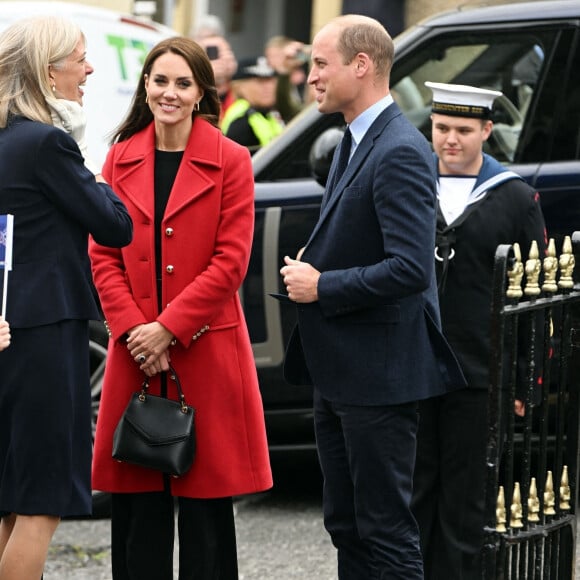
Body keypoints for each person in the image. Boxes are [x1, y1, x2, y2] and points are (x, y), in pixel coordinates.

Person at [279, 15, 465, 579]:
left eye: (319, 64)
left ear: (362, 65)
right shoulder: (353, 139)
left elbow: (410, 269)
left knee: (385, 530)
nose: (310, 77)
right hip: (339, 372)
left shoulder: (401, 149)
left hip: (380, 378)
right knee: (347, 524)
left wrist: (321, 284)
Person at [88, 36, 273, 580]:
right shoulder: (119, 157)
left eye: (182, 83)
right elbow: (102, 255)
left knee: (206, 519)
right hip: (136, 354)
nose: (169, 92)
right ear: (145, 86)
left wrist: (167, 329)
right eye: (160, 80)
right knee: (138, 513)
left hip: (206, 350)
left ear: (201, 94)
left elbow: (231, 261)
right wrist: (134, 332)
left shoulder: (232, 159)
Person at [0, 15, 133, 580]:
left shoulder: (9, 138)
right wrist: (92, 172)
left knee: (10, 496)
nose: (89, 68)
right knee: (41, 502)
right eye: (79, 58)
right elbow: (115, 225)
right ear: (47, 71)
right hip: (46, 331)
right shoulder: (48, 143)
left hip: (11, 323)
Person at [411, 82, 547, 579]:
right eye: (442, 128)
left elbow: (535, 299)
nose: (450, 139)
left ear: (487, 131)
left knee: (467, 501)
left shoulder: (514, 198)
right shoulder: (410, 182)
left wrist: (522, 381)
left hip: (478, 372)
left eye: (464, 130)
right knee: (414, 492)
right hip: (413, 366)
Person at [221, 56, 285, 153]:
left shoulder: (267, 113)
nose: (267, 87)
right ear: (239, 87)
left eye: (270, 80)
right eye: (260, 82)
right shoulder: (240, 121)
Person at [190, 15, 238, 125]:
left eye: (220, 51)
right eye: (209, 54)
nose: (217, 60)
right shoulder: (189, 94)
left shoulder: (242, 93)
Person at [265, 35, 313, 123]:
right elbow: (285, 107)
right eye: (269, 56)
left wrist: (306, 50)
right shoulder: (269, 80)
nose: (269, 61)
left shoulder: (300, 76)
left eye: (277, 56)